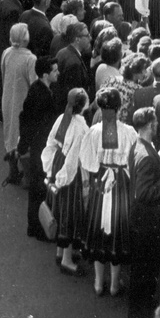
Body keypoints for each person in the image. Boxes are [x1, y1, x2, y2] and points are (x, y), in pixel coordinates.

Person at [79, 86, 138, 296]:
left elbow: (86, 161)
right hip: (120, 185)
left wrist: (98, 171)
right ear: (119, 107)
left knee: (98, 230)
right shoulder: (129, 132)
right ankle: (114, 284)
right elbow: (133, 162)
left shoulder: (93, 132)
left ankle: (97, 282)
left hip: (100, 184)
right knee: (117, 230)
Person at [128, 106, 160, 318]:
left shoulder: (139, 145)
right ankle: (141, 313)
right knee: (145, 269)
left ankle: (139, 310)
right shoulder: (146, 156)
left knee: (141, 268)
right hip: (147, 221)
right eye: (154, 123)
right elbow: (144, 193)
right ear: (148, 125)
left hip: (140, 220)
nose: (157, 126)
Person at [41, 86, 90, 273]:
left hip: (56, 162)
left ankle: (61, 252)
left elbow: (50, 143)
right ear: (83, 105)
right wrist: (62, 180)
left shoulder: (63, 118)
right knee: (70, 215)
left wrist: (50, 172)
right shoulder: (81, 127)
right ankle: (67, 261)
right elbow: (73, 160)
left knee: (59, 210)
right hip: (69, 173)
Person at [18, 55, 60, 241]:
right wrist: (24, 145)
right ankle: (38, 227)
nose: (58, 73)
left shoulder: (40, 90)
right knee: (39, 188)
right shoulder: (41, 95)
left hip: (40, 146)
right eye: (55, 71)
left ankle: (35, 226)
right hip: (40, 148)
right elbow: (29, 122)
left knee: (38, 187)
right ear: (45, 74)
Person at [0, 23, 37, 183]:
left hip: (8, 99)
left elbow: (2, 74)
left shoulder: (6, 53)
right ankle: (28, 177)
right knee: (24, 137)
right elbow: (34, 84)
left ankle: (12, 171)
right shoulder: (30, 59)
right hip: (23, 102)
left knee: (10, 133)